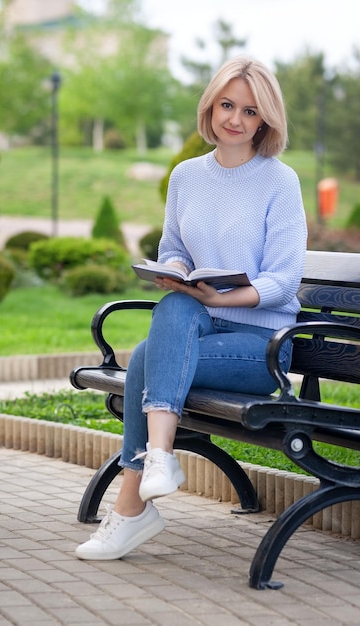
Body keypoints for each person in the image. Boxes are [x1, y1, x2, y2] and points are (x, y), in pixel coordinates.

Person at [76, 56, 307, 560]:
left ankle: (133, 504)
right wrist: (176, 269)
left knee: (143, 360)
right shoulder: (186, 176)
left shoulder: (279, 181)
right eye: (227, 105)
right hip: (200, 323)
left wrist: (226, 298)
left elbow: (285, 278)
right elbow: (175, 245)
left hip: (261, 346)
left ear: (264, 121)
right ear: (211, 106)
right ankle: (158, 458)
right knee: (173, 308)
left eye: (250, 112)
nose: (235, 119)